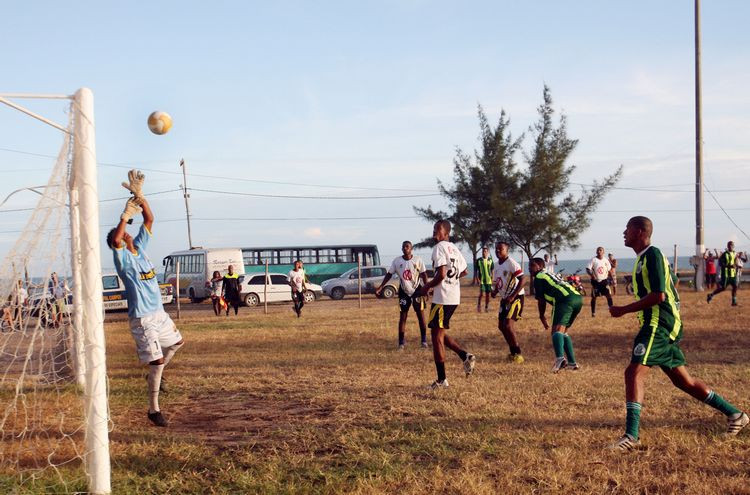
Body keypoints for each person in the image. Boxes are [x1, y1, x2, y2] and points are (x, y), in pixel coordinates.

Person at [609, 216, 748, 451]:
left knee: (633, 372)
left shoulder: (652, 255)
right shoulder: (644, 259)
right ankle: (736, 414)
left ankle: (631, 436)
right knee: (684, 381)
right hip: (662, 323)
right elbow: (670, 284)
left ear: (641, 231)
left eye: (628, 229)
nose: (624, 233)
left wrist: (623, 310)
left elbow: (659, 296)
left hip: (658, 323)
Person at [107, 169, 184, 427]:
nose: (128, 235)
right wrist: (125, 217)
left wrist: (139, 196)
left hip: (159, 314)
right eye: (125, 236)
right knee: (158, 360)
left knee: (176, 344)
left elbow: (150, 219)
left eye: (128, 233)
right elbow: (116, 238)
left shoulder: (140, 249)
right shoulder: (123, 259)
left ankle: (155, 376)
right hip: (142, 319)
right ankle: (153, 410)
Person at [413, 220, 476, 389]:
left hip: (444, 298)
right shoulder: (454, 248)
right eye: (434, 230)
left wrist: (426, 287)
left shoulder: (439, 247)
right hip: (452, 296)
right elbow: (464, 270)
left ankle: (442, 381)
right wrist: (445, 283)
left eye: (438, 230)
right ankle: (464, 356)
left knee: (436, 337)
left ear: (446, 233)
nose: (435, 233)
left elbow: (441, 274)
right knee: (437, 332)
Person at [529, 258, 582, 372]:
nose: (529, 268)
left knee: (556, 331)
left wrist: (541, 316)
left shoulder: (538, 277)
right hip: (577, 298)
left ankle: (560, 359)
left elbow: (541, 300)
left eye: (531, 266)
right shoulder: (549, 273)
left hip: (564, 300)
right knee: (563, 332)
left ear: (539, 266)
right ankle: (572, 363)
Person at [375, 241, 429, 349]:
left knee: (421, 316)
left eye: (407, 247)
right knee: (403, 317)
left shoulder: (418, 260)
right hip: (404, 292)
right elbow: (389, 274)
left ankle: (423, 341)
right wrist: (381, 287)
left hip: (417, 291)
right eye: (403, 247)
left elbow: (424, 275)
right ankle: (401, 343)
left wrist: (426, 289)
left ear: (411, 248)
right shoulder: (397, 261)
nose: (405, 248)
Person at [491, 241, 525, 364]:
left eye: (501, 249)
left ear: (507, 250)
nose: (498, 251)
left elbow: (523, 279)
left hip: (516, 298)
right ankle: (512, 352)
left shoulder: (511, 263)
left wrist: (513, 295)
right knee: (501, 326)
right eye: (496, 249)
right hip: (504, 299)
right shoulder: (496, 265)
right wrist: (495, 291)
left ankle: (518, 353)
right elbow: (499, 281)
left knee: (508, 325)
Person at [707, 241, 739, 306]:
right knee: (723, 288)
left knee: (735, 286)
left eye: (732, 245)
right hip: (726, 275)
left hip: (733, 274)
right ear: (727, 246)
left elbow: (735, 261)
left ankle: (734, 301)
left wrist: (735, 265)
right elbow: (721, 263)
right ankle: (711, 295)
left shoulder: (735, 253)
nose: (731, 246)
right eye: (730, 245)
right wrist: (729, 266)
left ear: (733, 246)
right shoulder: (724, 254)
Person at [586, 247, 613, 317]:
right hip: (595, 281)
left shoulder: (606, 260)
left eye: (600, 250)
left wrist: (611, 278)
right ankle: (593, 313)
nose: (599, 251)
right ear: (596, 252)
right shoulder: (593, 259)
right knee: (594, 297)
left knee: (608, 295)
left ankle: (612, 311)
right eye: (598, 250)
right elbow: (588, 269)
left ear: (603, 252)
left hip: (604, 281)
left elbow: (609, 270)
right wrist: (591, 275)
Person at [474, 246, 494, 313]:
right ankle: (479, 306)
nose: (484, 253)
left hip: (488, 280)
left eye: (485, 251)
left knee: (488, 295)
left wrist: (492, 278)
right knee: (481, 294)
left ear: (487, 252)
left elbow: (492, 270)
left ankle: (486, 307)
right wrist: (477, 279)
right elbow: (476, 271)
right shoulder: (479, 260)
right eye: (483, 251)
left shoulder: (490, 260)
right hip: (482, 280)